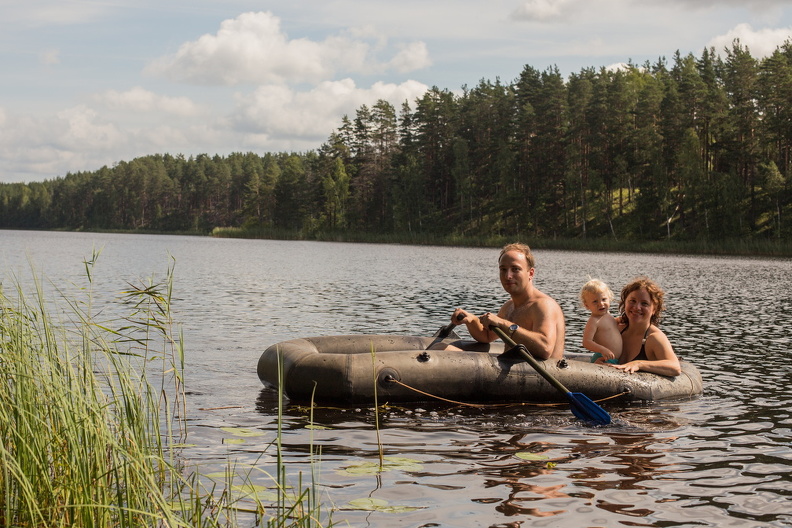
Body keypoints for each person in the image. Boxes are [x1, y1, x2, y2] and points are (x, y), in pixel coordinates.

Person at [444, 242, 565, 360]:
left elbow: (545, 348)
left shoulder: (543, 305)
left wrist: (503, 324)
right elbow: (486, 336)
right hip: (514, 371)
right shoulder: (509, 306)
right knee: (440, 347)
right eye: (503, 269)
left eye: (515, 269)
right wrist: (471, 320)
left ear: (530, 273)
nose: (508, 276)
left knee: (446, 351)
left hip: (540, 376)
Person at [611, 277, 682, 376]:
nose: (637, 307)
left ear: (654, 310)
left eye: (644, 303)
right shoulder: (616, 329)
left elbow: (675, 367)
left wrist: (639, 364)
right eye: (632, 301)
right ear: (625, 302)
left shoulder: (654, 338)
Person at [579, 279, 622, 364]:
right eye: (595, 301)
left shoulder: (608, 315)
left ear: (609, 298)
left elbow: (608, 328)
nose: (601, 304)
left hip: (614, 359)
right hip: (603, 358)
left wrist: (618, 320)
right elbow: (586, 342)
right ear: (587, 305)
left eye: (604, 299)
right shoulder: (593, 321)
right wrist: (602, 350)